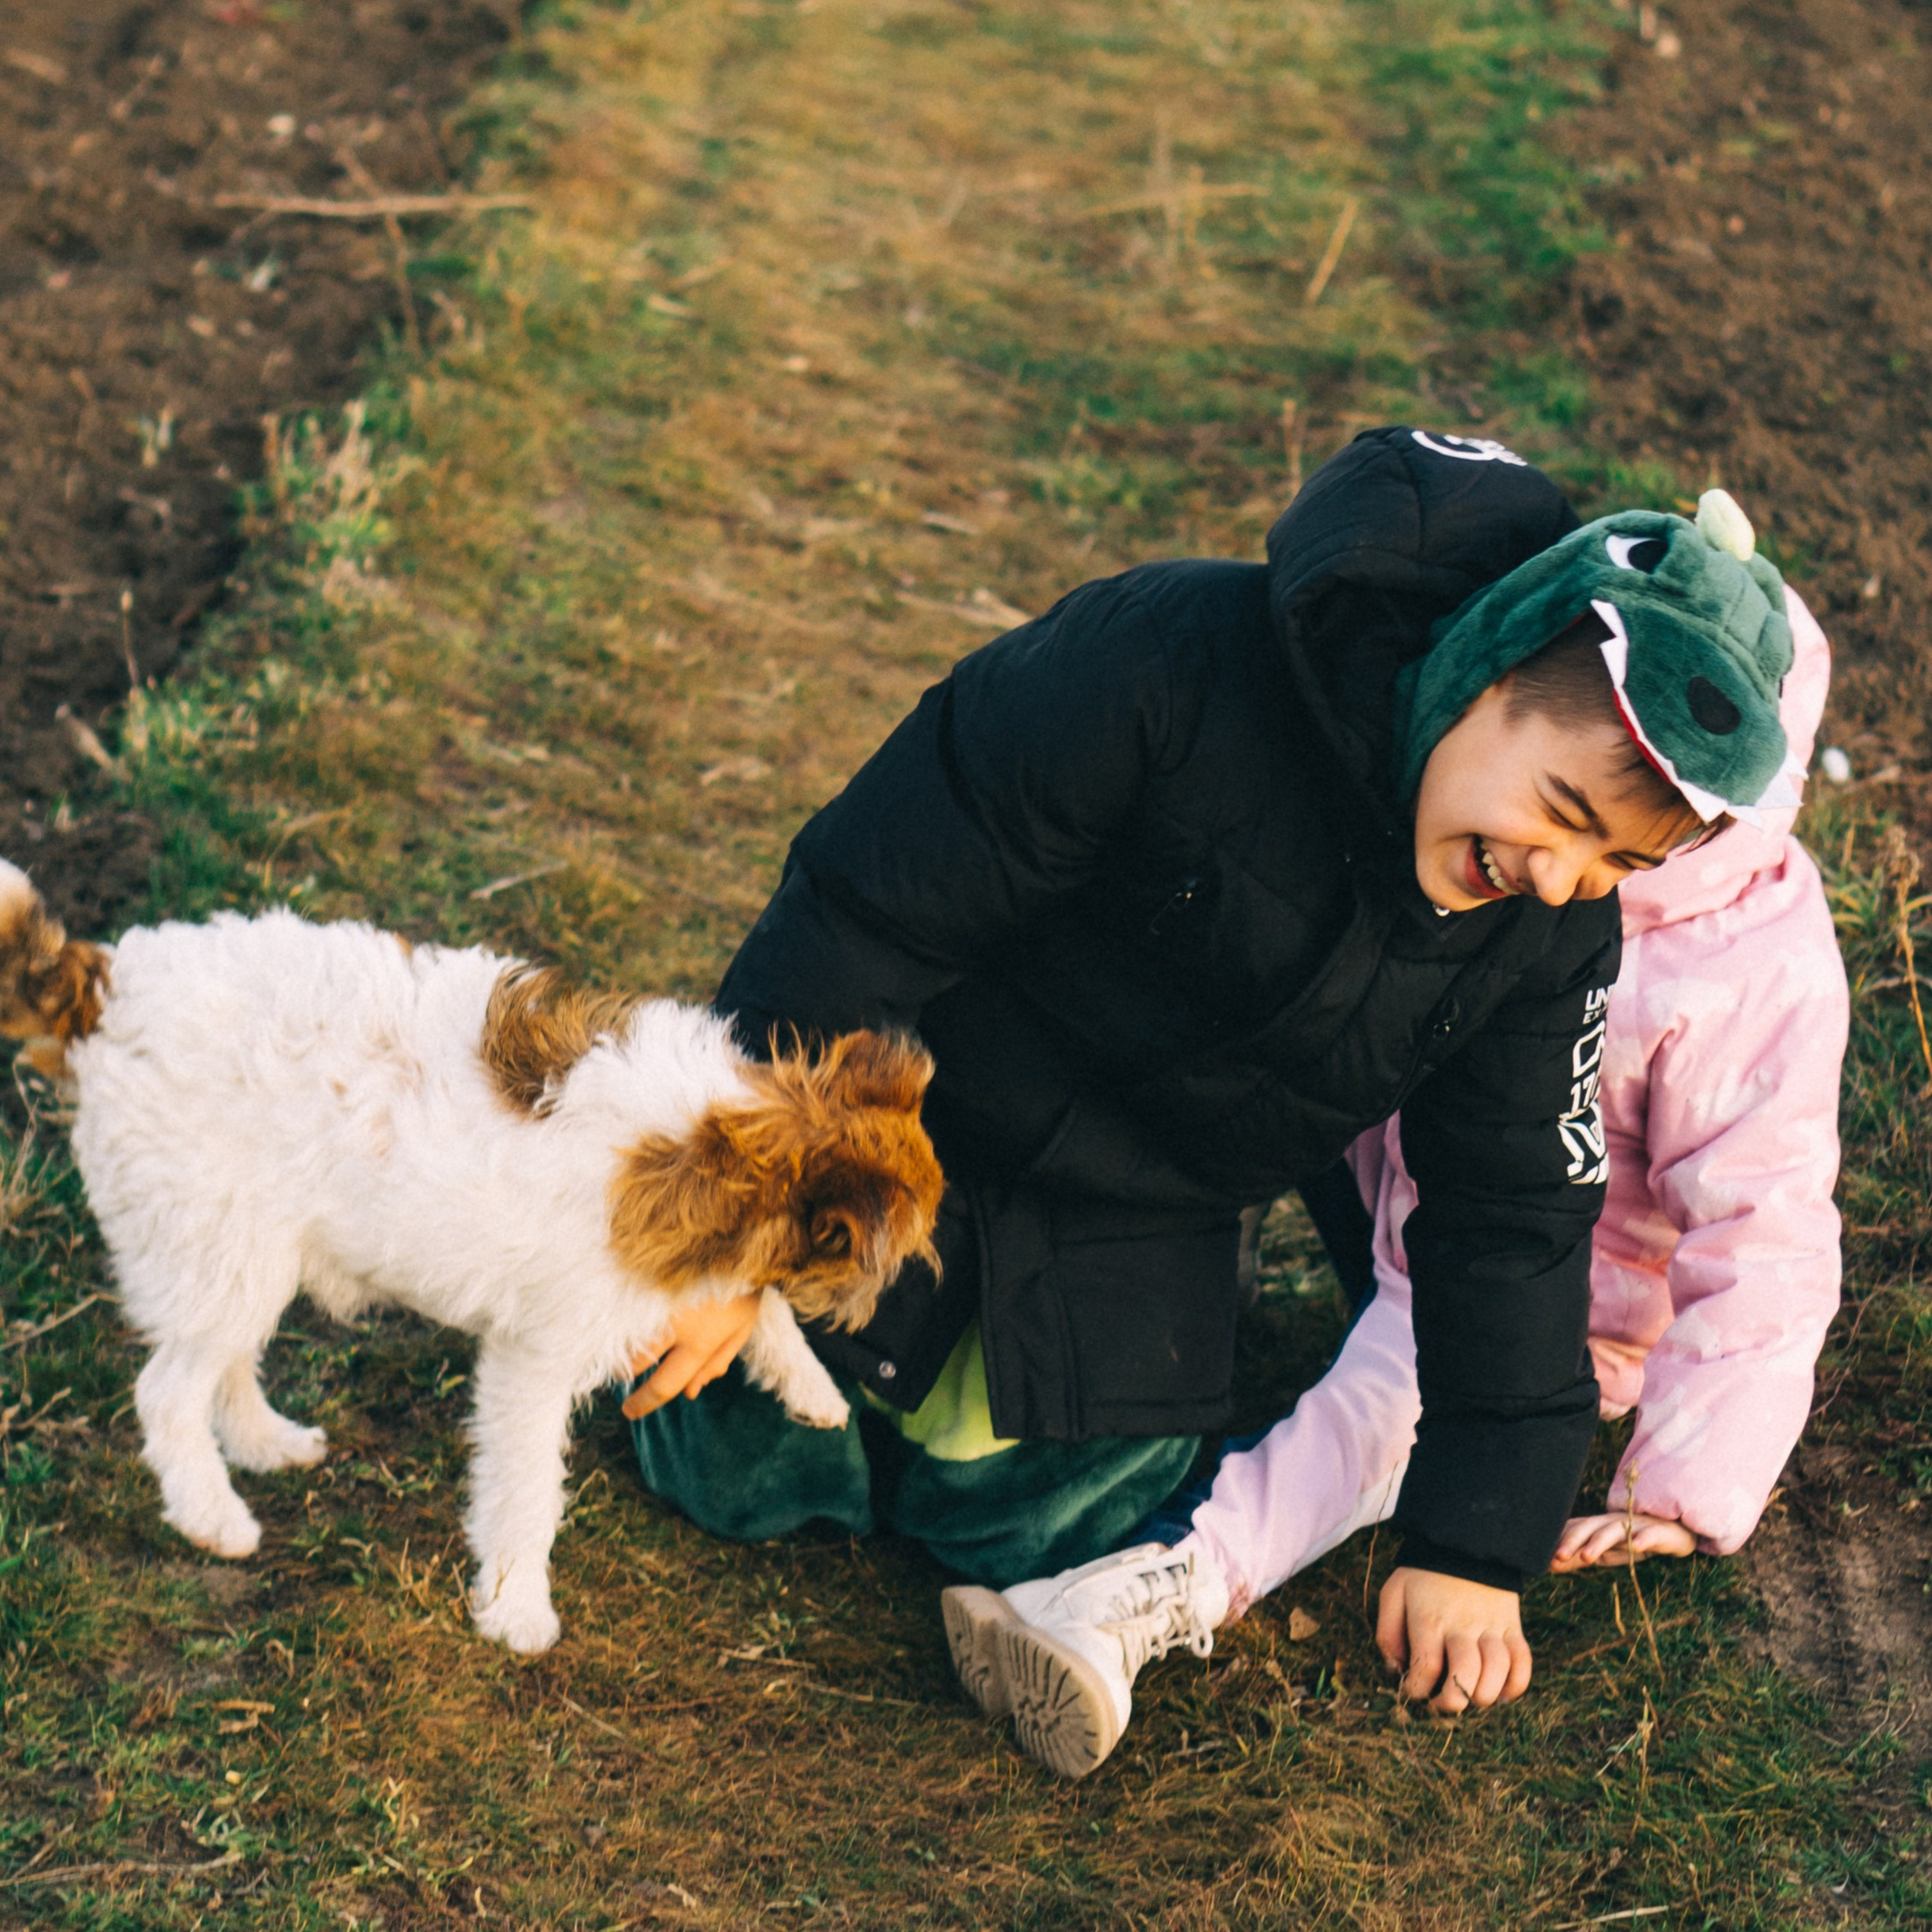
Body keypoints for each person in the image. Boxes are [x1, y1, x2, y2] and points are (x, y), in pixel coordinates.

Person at [624, 431, 1801, 1778]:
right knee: (714, 1456)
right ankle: (796, 1359)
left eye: (1617, 863)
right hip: (912, 1115)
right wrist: (740, 1218)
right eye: (1559, 809)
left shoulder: (1545, 937)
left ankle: (951, 1433)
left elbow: (1515, 1212)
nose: (1559, 876)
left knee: (1040, 1524)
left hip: (1145, 1212)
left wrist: (1475, 1542)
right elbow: (866, 908)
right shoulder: (1168, 660)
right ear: (1483, 665)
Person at [964, 582, 1846, 1745]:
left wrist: (1683, 1478)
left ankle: (1135, 1598)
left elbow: (1767, 1231)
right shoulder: (1497, 824)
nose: (1571, 865)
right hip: (1396, 1171)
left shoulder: (1751, 971)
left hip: (1539, 1287)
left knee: (1369, 1415)